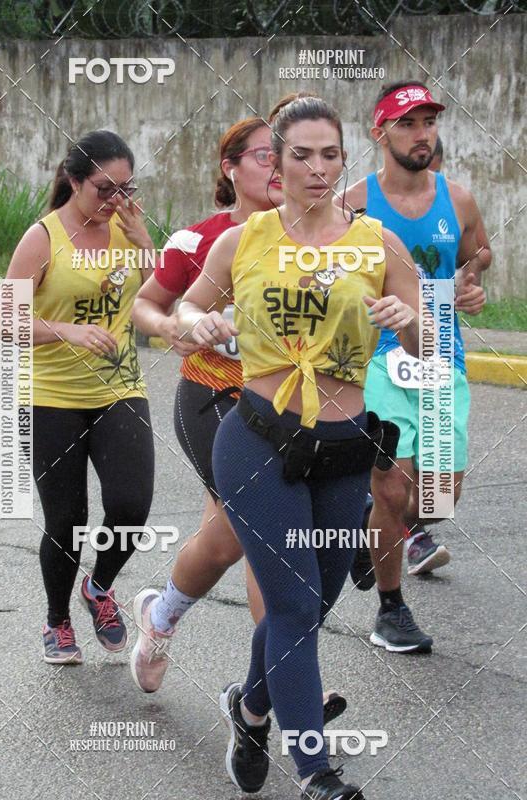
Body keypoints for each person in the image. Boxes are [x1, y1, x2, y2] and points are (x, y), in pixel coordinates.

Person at [178, 96, 423, 800]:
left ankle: (250, 710)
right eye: (301, 154)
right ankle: (315, 768)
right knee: (289, 606)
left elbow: (431, 348)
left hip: (345, 445)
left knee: (311, 606)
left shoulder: (378, 244)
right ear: (276, 165)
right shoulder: (245, 239)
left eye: (330, 154)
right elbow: (190, 304)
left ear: (345, 160)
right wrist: (202, 322)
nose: (317, 168)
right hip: (256, 439)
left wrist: (410, 321)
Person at [129, 109, 347, 722]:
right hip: (214, 400)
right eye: (268, 156)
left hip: (293, 409)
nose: (294, 168)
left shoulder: (331, 234)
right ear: (238, 168)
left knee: (224, 542)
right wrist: (182, 324)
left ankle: (161, 614)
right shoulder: (204, 240)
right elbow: (148, 307)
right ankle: (288, 685)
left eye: (315, 157)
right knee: (264, 545)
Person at [0, 130, 156, 664]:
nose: (116, 201)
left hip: (119, 386)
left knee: (131, 505)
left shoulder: (129, 230)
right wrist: (67, 330)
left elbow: (154, 295)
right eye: (105, 189)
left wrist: (146, 243)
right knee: (67, 518)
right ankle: (57, 620)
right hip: (49, 394)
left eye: (126, 189)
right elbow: (0, 321)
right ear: (74, 181)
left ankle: (99, 587)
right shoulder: (43, 238)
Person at [344, 82, 490, 653]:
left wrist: (470, 287)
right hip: (377, 361)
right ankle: (390, 609)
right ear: (379, 133)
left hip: (438, 357)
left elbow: (475, 255)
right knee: (394, 486)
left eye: (428, 122)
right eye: (408, 123)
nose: (422, 133)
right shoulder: (353, 203)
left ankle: (368, 525)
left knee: (439, 498)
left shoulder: (458, 199)